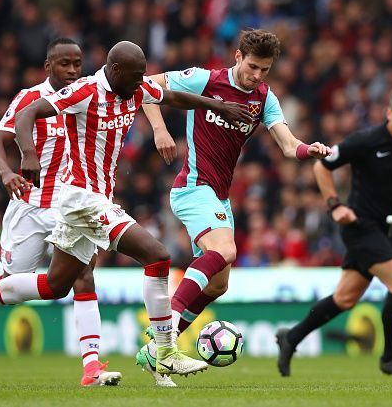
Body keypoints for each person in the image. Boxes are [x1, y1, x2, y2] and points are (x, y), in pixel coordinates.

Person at [0, 41, 252, 381]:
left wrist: (216, 106)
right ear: (115, 71)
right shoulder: (85, 91)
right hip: (82, 200)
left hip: (88, 202)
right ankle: (166, 352)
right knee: (157, 256)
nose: (143, 81)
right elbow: (28, 114)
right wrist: (27, 154)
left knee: (56, 286)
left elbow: (172, 97)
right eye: (137, 75)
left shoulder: (134, 87)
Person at [136, 29, 331, 386]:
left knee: (219, 284)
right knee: (224, 250)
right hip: (193, 186)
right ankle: (164, 334)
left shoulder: (264, 98)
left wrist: (309, 150)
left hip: (218, 195)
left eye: (265, 70)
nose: (257, 75)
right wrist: (160, 130)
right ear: (238, 56)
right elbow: (145, 86)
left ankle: (155, 354)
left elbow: (288, 145)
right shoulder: (204, 79)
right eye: (253, 66)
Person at [0, 38, 117, 386]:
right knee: (4, 288)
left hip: (70, 206)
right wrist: (6, 172)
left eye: (77, 63)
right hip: (29, 205)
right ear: (48, 67)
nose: (73, 70)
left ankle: (91, 366)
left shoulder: (86, 95)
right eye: (64, 64)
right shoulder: (29, 98)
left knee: (84, 274)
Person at [276, 86, 392, 378]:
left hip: (381, 229)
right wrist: (334, 205)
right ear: (389, 113)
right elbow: (322, 167)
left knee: (345, 299)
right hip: (359, 227)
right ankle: (390, 356)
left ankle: (291, 337)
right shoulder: (367, 140)